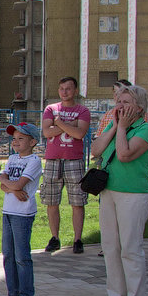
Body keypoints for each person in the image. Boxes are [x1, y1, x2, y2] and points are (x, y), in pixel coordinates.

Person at [89, 83, 148, 296]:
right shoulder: (114, 125)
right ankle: (116, 295)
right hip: (109, 192)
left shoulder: (146, 130)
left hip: (133, 194)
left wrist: (122, 129)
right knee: (110, 246)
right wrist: (115, 126)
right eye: (118, 102)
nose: (120, 106)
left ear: (139, 108)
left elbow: (125, 154)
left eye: (126, 103)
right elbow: (96, 150)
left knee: (130, 247)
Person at [40, 76, 91, 254]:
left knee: (77, 202)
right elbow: (47, 132)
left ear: (75, 91)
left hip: (74, 160)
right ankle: (55, 238)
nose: (64, 92)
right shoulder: (50, 108)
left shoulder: (82, 110)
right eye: (61, 88)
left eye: (68, 88)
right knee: (51, 201)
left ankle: (78, 239)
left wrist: (60, 123)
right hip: (53, 160)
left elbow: (79, 134)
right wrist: (71, 125)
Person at [0, 123, 43, 296]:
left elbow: (20, 184)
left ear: (32, 142)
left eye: (21, 138)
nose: (16, 142)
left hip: (23, 214)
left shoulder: (34, 161)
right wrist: (12, 188)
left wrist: (12, 187)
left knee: (22, 257)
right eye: (14, 138)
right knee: (8, 255)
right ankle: (13, 294)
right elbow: (2, 181)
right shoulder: (12, 158)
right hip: (8, 211)